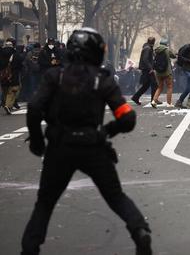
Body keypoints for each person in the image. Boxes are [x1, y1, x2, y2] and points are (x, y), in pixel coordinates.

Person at [21, 27, 151, 255]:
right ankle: (140, 231)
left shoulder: (55, 76)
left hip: (60, 147)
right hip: (93, 146)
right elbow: (127, 116)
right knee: (116, 197)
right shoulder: (102, 81)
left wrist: (37, 142)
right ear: (96, 52)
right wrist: (108, 130)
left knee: (45, 202)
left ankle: (30, 247)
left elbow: (34, 108)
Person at [150, 38, 176, 107]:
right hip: (167, 72)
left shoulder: (156, 51)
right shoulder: (167, 50)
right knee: (169, 87)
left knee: (160, 87)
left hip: (158, 72)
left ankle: (154, 101)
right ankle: (169, 103)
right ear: (166, 44)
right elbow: (173, 56)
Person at [131, 37, 157, 105]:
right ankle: (153, 100)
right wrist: (150, 68)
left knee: (146, 85)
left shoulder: (147, 47)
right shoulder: (147, 48)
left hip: (146, 69)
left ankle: (135, 97)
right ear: (153, 42)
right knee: (154, 84)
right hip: (148, 70)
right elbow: (145, 59)